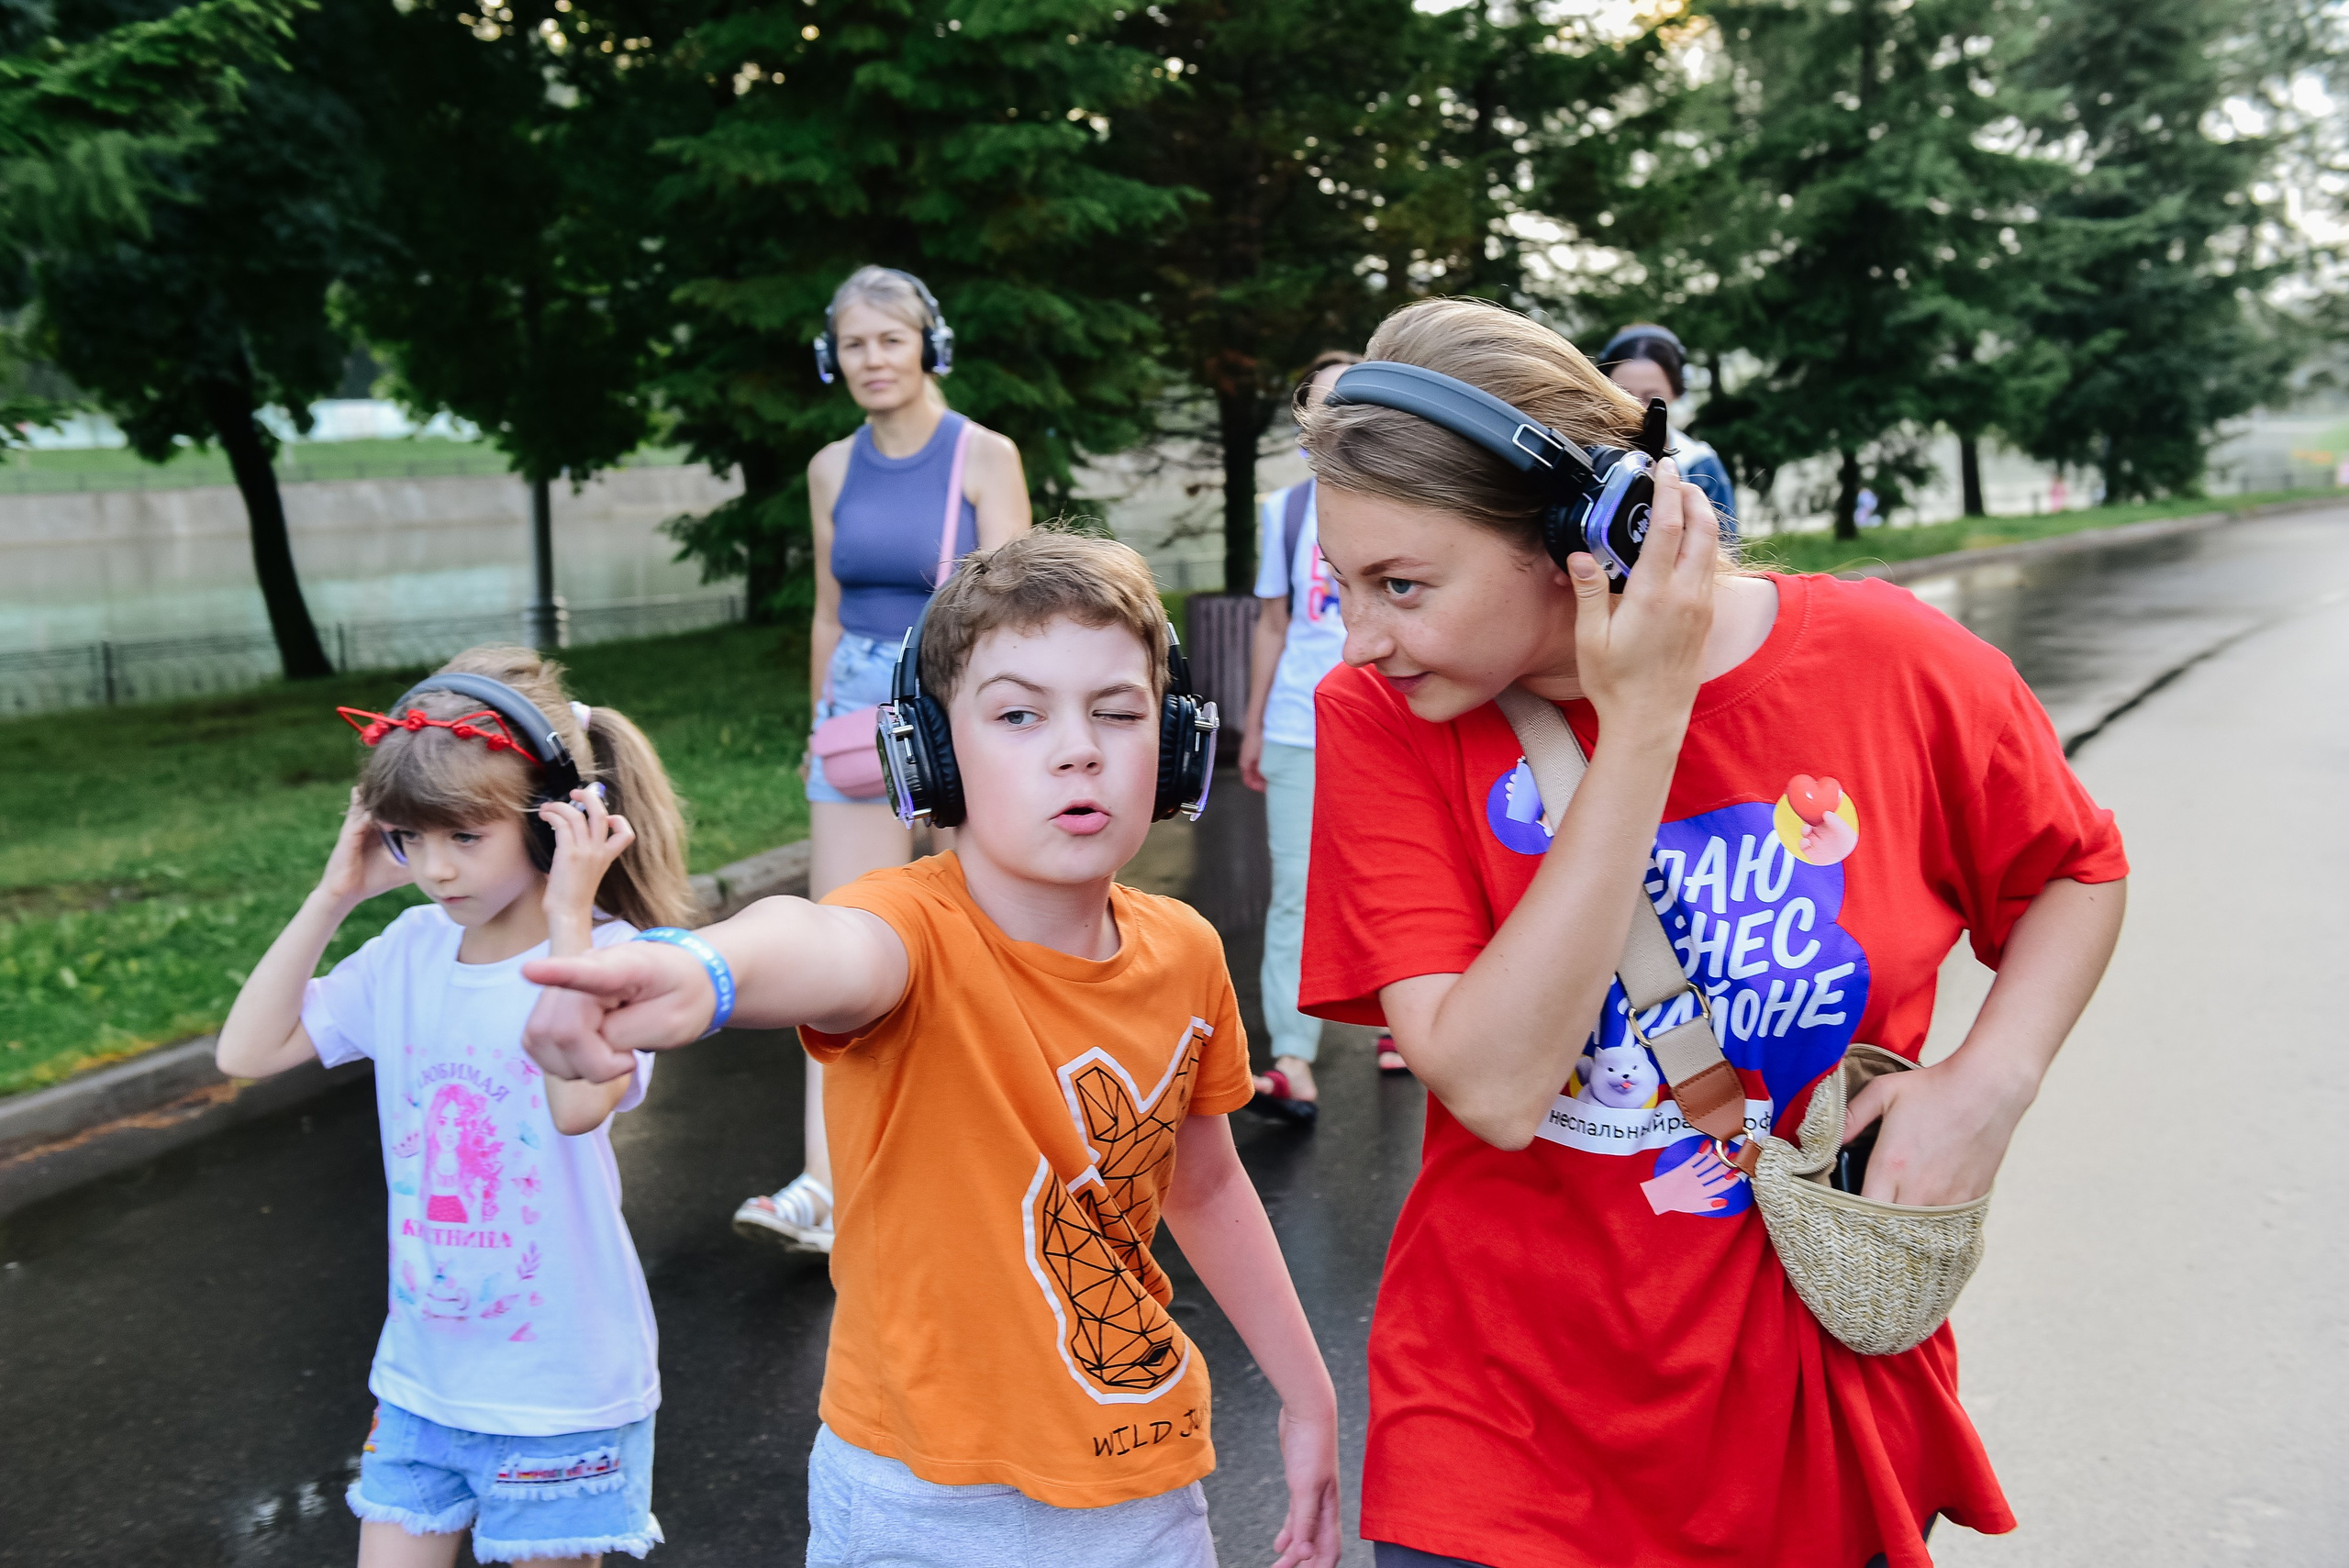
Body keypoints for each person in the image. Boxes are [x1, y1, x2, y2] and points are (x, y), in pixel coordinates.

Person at [1296, 298, 2129, 1568]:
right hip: (1498, 1432)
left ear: (1581, 540)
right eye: (1344, 586)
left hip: (1799, 1423)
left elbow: (2075, 868)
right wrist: (1638, 728)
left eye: (1401, 585)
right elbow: (1496, 1082)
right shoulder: (1382, 718)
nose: (1363, 636)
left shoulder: (1891, 661)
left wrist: (1990, 1084)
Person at [519, 534, 1343, 1568]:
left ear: (1174, 747)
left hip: (1142, 1485)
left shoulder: (1184, 951)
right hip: (915, 1505)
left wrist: (1308, 1393)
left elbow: (1208, 1184)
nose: (1077, 747)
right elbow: (817, 943)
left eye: (1119, 710)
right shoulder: (907, 929)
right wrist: (703, 971)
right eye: (1017, 713)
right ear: (935, 755)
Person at [215, 644, 699, 1568]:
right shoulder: (409, 950)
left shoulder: (616, 956)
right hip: (420, 1385)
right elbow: (248, 1050)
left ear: (554, 823)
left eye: (463, 836)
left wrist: (568, 915)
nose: (435, 868)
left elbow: (575, 1106)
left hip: (560, 1395)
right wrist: (335, 892)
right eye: (409, 837)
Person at [733, 263, 1031, 1255]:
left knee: (978, 937)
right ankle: (825, 1183)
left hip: (955, 704)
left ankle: (983, 1161)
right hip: (855, 715)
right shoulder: (830, 466)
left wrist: (1011, 728)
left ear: (927, 346)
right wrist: (818, 721)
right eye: (853, 343)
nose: (871, 359)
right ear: (833, 357)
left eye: (888, 340)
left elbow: (1018, 615)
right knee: (837, 944)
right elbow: (827, 606)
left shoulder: (983, 458)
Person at [1238, 350, 1407, 1123]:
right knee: (1296, 891)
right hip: (1298, 723)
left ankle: (1403, 1024)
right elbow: (1272, 623)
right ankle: (1294, 1058)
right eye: (1321, 407)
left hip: (1390, 713)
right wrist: (1252, 719)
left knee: (1394, 876)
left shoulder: (1412, 500)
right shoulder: (1286, 511)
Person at [1598, 322, 1740, 535]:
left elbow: (1727, 553)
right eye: (1622, 395)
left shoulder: (1700, 465)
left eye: (1651, 398)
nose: (1636, 409)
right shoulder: (1588, 457)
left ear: (1676, 392)